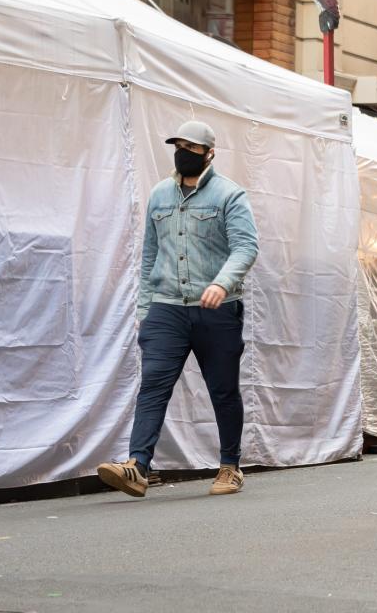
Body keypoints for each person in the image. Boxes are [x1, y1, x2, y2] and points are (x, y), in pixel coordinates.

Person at [97, 120, 259, 497]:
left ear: (210, 153)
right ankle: (137, 466)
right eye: (178, 145)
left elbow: (246, 247)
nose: (183, 152)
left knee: (222, 390)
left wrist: (222, 282)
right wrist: (144, 312)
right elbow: (150, 254)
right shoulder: (159, 195)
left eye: (192, 147)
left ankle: (229, 466)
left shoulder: (229, 196)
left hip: (217, 309)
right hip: (166, 308)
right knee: (153, 384)